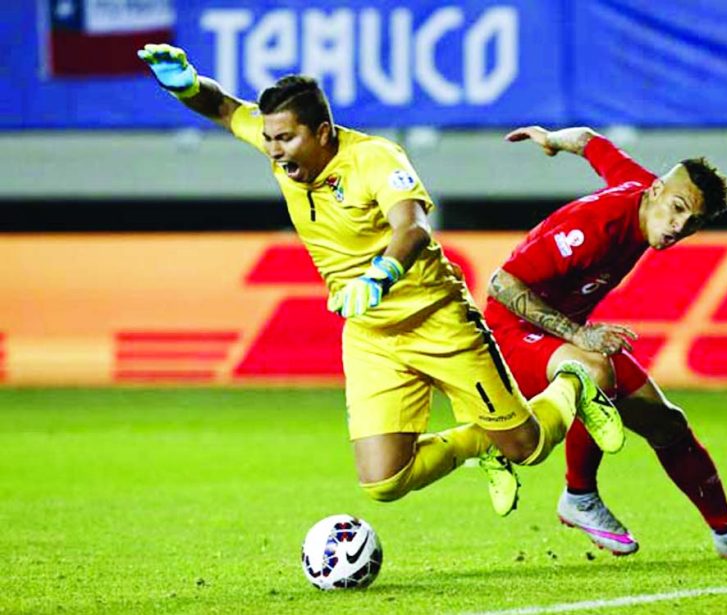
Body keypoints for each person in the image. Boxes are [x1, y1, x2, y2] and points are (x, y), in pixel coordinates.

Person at [136, 45, 626, 517]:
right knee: (384, 481)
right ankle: (477, 441)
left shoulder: (374, 159)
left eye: (286, 139)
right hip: (372, 334)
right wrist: (186, 85)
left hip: (438, 320)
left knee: (527, 447)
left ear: (323, 132)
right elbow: (223, 108)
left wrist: (380, 276)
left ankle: (573, 384)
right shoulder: (280, 151)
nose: (275, 151)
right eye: (269, 139)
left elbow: (411, 227)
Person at [484, 125, 727, 558]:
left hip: (557, 333)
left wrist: (551, 139)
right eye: (676, 209)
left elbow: (589, 141)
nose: (677, 227)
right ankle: (578, 496)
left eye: (691, 223)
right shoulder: (595, 228)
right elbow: (502, 283)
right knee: (595, 370)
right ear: (657, 192)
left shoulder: (639, 187)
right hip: (512, 333)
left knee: (667, 424)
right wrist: (579, 334)